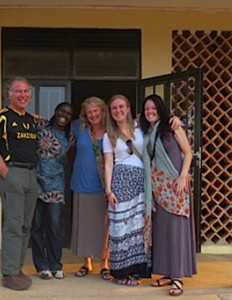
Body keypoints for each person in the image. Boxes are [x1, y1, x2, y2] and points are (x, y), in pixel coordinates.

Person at [140, 94, 197, 296]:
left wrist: (183, 177)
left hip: (176, 186)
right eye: (146, 109)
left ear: (161, 109)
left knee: (176, 232)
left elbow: (188, 152)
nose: (150, 112)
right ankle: (165, 272)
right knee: (162, 233)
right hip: (159, 190)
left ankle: (178, 277)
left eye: (153, 108)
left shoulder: (173, 127)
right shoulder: (147, 133)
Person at [0, 77, 37, 290]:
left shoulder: (31, 120)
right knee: (14, 226)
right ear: (9, 94)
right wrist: (7, 174)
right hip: (13, 173)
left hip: (31, 175)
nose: (23, 95)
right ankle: (9, 273)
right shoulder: (1, 117)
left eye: (26, 91)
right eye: (18, 91)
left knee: (25, 226)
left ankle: (17, 267)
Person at [103, 94, 152, 286]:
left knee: (138, 228)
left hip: (141, 181)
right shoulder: (109, 136)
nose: (118, 111)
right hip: (120, 182)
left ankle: (137, 272)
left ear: (128, 108)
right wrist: (108, 190)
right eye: (114, 108)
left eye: (121, 106)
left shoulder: (141, 128)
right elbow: (108, 163)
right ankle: (121, 271)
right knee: (120, 228)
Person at [31, 102, 74, 280]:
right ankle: (42, 266)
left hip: (55, 185)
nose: (64, 115)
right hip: (35, 181)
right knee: (37, 226)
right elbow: (21, 122)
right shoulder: (40, 126)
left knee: (55, 227)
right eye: (62, 111)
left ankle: (56, 265)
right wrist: (31, 116)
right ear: (55, 111)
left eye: (68, 114)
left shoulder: (70, 136)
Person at [70, 96, 112, 281]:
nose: (93, 114)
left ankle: (105, 263)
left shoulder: (112, 130)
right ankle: (86, 262)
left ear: (103, 111)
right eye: (89, 112)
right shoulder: (78, 128)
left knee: (104, 227)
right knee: (84, 226)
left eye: (96, 111)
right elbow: (55, 123)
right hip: (81, 183)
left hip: (104, 186)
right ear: (85, 114)